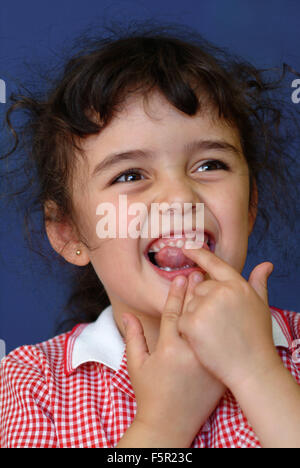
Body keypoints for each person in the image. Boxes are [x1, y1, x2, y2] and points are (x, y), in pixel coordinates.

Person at [0, 22, 300, 448]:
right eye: (130, 174)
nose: (179, 196)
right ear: (69, 233)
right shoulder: (33, 381)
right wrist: (163, 426)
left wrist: (256, 372)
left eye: (210, 164)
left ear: (249, 206)